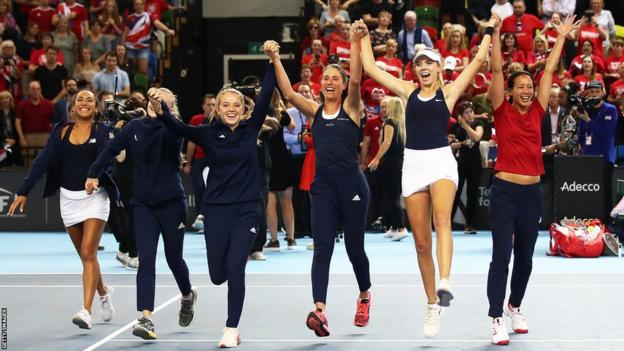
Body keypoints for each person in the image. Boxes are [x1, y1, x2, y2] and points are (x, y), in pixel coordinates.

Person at [359, 15, 498, 338]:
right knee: (421, 243)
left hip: (441, 162)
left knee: (442, 220)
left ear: (438, 68)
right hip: (413, 165)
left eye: (429, 62)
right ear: (415, 69)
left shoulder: (448, 93)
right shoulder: (406, 90)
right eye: (418, 62)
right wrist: (363, 36)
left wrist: (490, 29)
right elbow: (371, 69)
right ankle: (432, 304)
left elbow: (478, 60)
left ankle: (445, 280)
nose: (423, 65)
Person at [147, 42, 276, 347]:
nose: (232, 109)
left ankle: (231, 328)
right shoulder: (205, 132)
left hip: (247, 209)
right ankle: (227, 293)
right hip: (216, 210)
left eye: (237, 105)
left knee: (236, 268)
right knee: (218, 275)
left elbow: (268, 92)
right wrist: (159, 107)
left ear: (244, 109)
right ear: (218, 109)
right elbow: (174, 126)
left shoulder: (251, 127)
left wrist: (271, 60)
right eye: (225, 105)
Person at [268, 21, 372, 337]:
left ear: (341, 86)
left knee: (355, 249)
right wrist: (275, 58)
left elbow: (356, 78)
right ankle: (320, 311)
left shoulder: (352, 108)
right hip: (323, 188)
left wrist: (354, 41)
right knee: (322, 249)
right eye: (325, 77)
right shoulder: (314, 110)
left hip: (353, 186)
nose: (328, 81)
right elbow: (286, 91)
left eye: (334, 79)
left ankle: (365, 295)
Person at [488, 14, 579, 345]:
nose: (527, 90)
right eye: (521, 86)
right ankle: (496, 317)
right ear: (510, 92)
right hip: (504, 192)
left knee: (525, 258)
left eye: (530, 86)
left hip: (531, 194)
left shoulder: (539, 109)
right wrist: (496, 33)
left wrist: (562, 37)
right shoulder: (501, 109)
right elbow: (497, 70)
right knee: (502, 256)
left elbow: (551, 70)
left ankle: (515, 306)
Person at [86, 87, 197, 340]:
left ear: (170, 108)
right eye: (154, 98)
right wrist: (92, 174)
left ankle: (188, 295)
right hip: (144, 205)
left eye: (163, 101)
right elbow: (110, 150)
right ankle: (146, 318)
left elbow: (170, 127)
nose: (155, 102)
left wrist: (163, 111)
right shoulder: (134, 128)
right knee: (145, 260)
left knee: (173, 259)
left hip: (172, 205)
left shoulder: (174, 128)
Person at [8, 89, 117, 330]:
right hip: (68, 200)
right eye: (80, 99)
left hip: (94, 199)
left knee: (89, 252)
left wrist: (96, 176)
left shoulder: (103, 131)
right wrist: (24, 190)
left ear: (96, 107)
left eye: (90, 100)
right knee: (86, 257)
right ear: (73, 106)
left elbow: (107, 160)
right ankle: (103, 292)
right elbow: (42, 162)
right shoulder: (61, 131)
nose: (85, 103)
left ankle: (86, 311)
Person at [367, 96, 407, 241]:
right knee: (390, 196)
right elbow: (382, 141)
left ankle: (401, 227)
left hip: (391, 163)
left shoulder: (390, 122)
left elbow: (386, 142)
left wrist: (376, 158)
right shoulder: (401, 124)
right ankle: (394, 227)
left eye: (387, 106)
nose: (384, 109)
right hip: (398, 162)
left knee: (393, 197)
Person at [264, 89, 297, 250]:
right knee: (287, 201)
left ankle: (274, 241)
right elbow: (293, 126)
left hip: (268, 158)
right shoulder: (281, 112)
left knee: (270, 201)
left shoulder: (261, 112)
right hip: (283, 157)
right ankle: (291, 239)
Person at [449, 101, 484, 235]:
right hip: (460, 162)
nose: (470, 115)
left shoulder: (478, 124)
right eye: (466, 113)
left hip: (475, 163)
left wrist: (466, 126)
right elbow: (451, 144)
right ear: (461, 115)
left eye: (471, 112)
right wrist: (462, 143)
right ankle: (448, 223)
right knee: (455, 193)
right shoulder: (455, 127)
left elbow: (477, 137)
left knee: (472, 193)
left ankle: (470, 225)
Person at [184, 94, 216, 232]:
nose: (211, 107)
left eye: (214, 104)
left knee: (213, 188)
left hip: (215, 158)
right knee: (198, 187)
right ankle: (200, 217)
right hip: (198, 158)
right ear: (203, 106)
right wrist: (187, 163)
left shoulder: (220, 119)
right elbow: (191, 142)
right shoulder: (196, 120)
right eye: (208, 104)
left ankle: (209, 218)